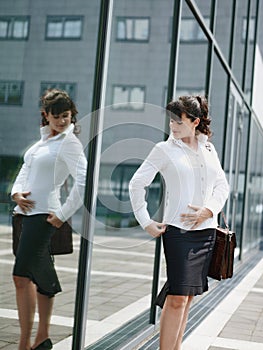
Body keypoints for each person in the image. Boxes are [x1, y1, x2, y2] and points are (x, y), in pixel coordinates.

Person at [129, 95, 229, 350]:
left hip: (205, 233)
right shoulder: (164, 149)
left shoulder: (208, 148)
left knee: (186, 299)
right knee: (175, 299)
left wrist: (208, 210)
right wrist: (145, 221)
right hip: (179, 233)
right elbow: (136, 183)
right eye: (171, 120)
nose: (173, 126)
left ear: (195, 122)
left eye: (179, 121)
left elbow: (222, 185)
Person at [11, 89, 87, 350]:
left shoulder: (69, 143)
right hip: (24, 214)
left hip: (44, 216)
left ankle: (26, 342)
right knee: (30, 277)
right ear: (46, 116)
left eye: (65, 116)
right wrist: (16, 193)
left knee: (22, 276)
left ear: (71, 114)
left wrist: (63, 215)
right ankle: (40, 339)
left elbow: (84, 182)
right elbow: (25, 169)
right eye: (56, 116)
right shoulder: (42, 143)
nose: (62, 121)